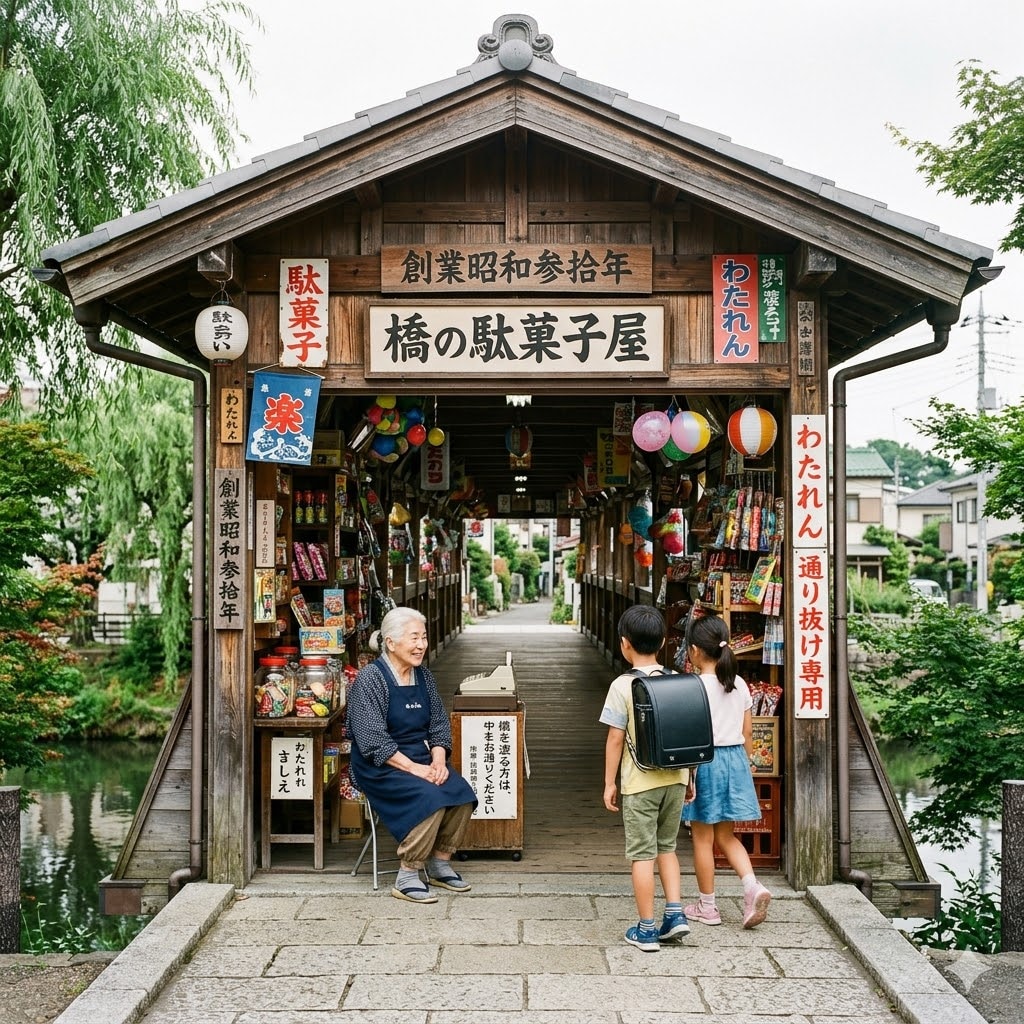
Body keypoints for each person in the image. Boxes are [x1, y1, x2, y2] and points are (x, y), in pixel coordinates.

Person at [346, 606, 477, 903]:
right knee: (429, 798)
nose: (421, 645)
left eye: (424, 637)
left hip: (419, 757)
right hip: (377, 764)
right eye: (414, 638)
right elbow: (372, 740)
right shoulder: (370, 680)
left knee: (460, 792)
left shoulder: (424, 677)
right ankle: (407, 874)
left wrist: (439, 761)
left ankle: (439, 862)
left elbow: (439, 725)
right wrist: (417, 770)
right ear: (390, 643)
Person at [599, 605, 692, 951]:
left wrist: (611, 783)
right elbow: (686, 733)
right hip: (676, 779)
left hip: (641, 784)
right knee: (667, 848)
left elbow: (615, 738)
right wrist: (690, 778)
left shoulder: (623, 686)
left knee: (642, 854)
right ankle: (675, 914)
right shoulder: (675, 679)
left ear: (624, 644)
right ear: (665, 641)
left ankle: (647, 927)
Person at [682, 613, 772, 928]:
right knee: (727, 836)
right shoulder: (739, 684)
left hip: (704, 761)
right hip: (735, 760)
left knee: (702, 839)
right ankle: (752, 886)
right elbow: (748, 734)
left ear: (694, 650)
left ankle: (707, 906)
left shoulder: (691, 686)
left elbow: (688, 734)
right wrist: (745, 764)